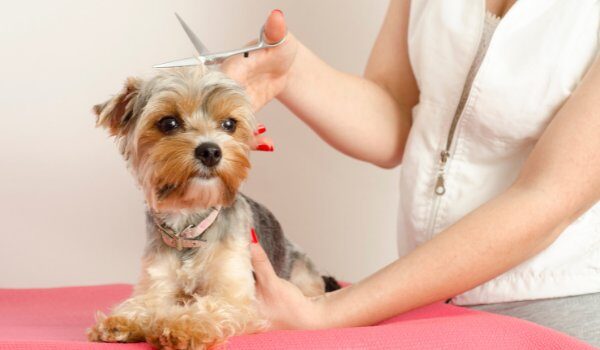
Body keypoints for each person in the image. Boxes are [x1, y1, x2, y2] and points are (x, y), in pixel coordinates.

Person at [222, 1, 600, 345]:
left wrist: (327, 311)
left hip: (550, 306)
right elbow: (398, 115)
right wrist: (292, 72)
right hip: (428, 300)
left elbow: (547, 199)